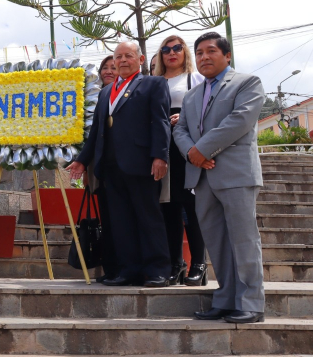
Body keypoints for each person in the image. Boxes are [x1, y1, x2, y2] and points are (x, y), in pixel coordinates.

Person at [174, 32, 266, 324]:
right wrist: (192, 153)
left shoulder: (247, 83)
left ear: (227, 55)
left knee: (244, 240)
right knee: (217, 242)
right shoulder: (192, 95)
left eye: (210, 51)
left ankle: (252, 303)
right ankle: (226, 299)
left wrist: (202, 149)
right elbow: (180, 130)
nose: (203, 57)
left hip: (236, 174)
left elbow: (239, 120)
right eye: (199, 52)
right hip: (201, 178)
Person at [67, 41, 171, 287]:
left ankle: (158, 270)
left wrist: (160, 156)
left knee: (148, 218)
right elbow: (96, 132)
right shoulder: (105, 92)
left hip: (141, 163)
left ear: (141, 59)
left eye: (128, 56)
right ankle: (128, 270)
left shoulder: (154, 84)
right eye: (118, 57)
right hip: (110, 167)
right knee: (119, 221)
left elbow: (161, 121)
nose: (122, 60)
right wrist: (82, 161)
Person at [153, 35, 207, 286]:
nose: (171, 53)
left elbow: (206, 108)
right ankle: (176, 264)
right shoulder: (153, 82)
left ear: (185, 52)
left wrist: (184, 116)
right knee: (168, 208)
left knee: (190, 206)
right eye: (166, 49)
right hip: (160, 147)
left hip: (184, 145)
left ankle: (199, 263)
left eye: (177, 48)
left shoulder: (194, 79)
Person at [84, 55, 119, 283]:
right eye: (104, 67)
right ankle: (111, 267)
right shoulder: (91, 97)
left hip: (124, 165)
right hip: (99, 166)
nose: (108, 70)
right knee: (106, 219)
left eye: (113, 66)